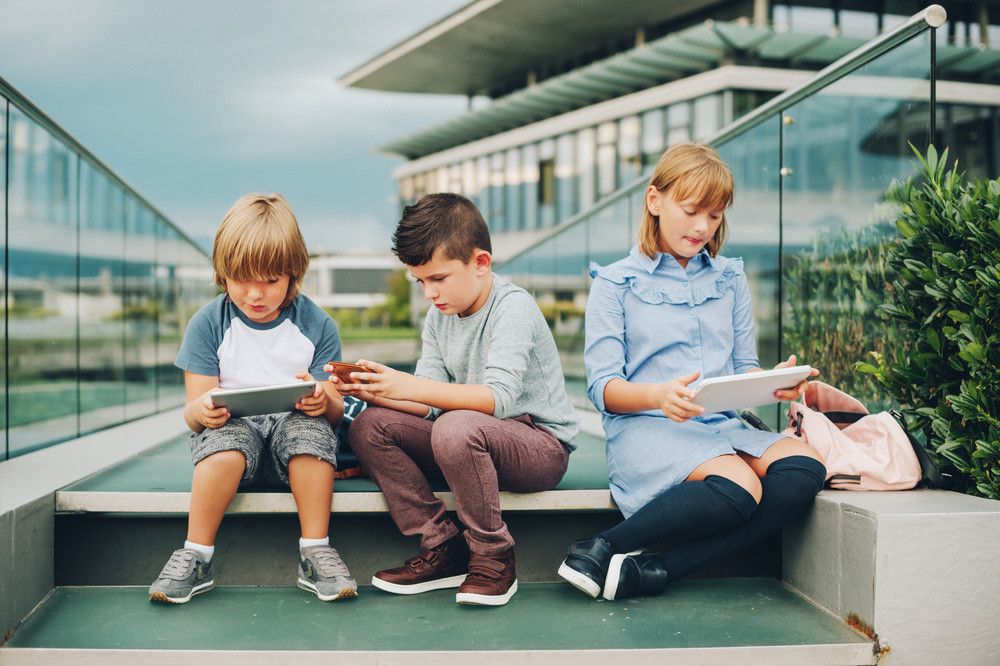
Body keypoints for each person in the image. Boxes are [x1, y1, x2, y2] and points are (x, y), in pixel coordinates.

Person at [557, 143, 826, 601]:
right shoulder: (614, 283)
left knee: (805, 467)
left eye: (716, 215)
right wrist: (659, 397)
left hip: (719, 427)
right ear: (654, 201)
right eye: (692, 210)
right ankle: (599, 546)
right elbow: (603, 389)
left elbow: (742, 368)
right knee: (739, 486)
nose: (703, 227)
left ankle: (659, 568)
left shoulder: (730, 278)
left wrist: (773, 384)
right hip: (647, 427)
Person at [332, 193, 579, 607]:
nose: (429, 293)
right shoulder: (439, 316)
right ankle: (445, 547)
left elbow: (497, 399)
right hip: (466, 437)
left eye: (439, 278)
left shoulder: (513, 307)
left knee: (455, 426)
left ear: (480, 263)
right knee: (370, 424)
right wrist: (377, 390)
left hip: (538, 446)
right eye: (421, 282)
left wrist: (407, 387)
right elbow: (429, 401)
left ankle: (493, 556)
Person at [148, 193, 357, 604]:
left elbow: (334, 408)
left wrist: (321, 402)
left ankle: (315, 550)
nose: (255, 295)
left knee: (311, 434)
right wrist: (204, 411)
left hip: (292, 441)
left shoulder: (317, 324)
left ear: (293, 275)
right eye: (243, 279)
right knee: (224, 445)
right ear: (222, 273)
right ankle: (196, 554)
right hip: (232, 439)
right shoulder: (209, 324)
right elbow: (192, 413)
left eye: (270, 280)